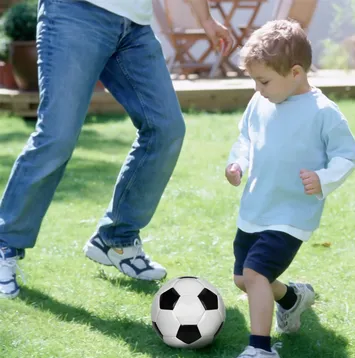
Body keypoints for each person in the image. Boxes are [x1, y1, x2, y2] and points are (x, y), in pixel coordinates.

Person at [0, 0, 233, 299]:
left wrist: (207, 19)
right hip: (76, 12)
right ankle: (6, 241)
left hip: (134, 25)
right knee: (57, 136)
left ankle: (116, 239)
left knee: (166, 128)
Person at [218, 19, 355, 358]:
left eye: (263, 80)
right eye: (255, 80)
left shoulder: (323, 112)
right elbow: (246, 138)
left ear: (295, 72)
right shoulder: (259, 102)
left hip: (292, 214)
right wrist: (238, 163)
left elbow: (347, 155)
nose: (258, 88)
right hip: (255, 206)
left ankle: (261, 352)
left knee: (255, 273)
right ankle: (292, 299)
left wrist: (323, 178)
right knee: (242, 279)